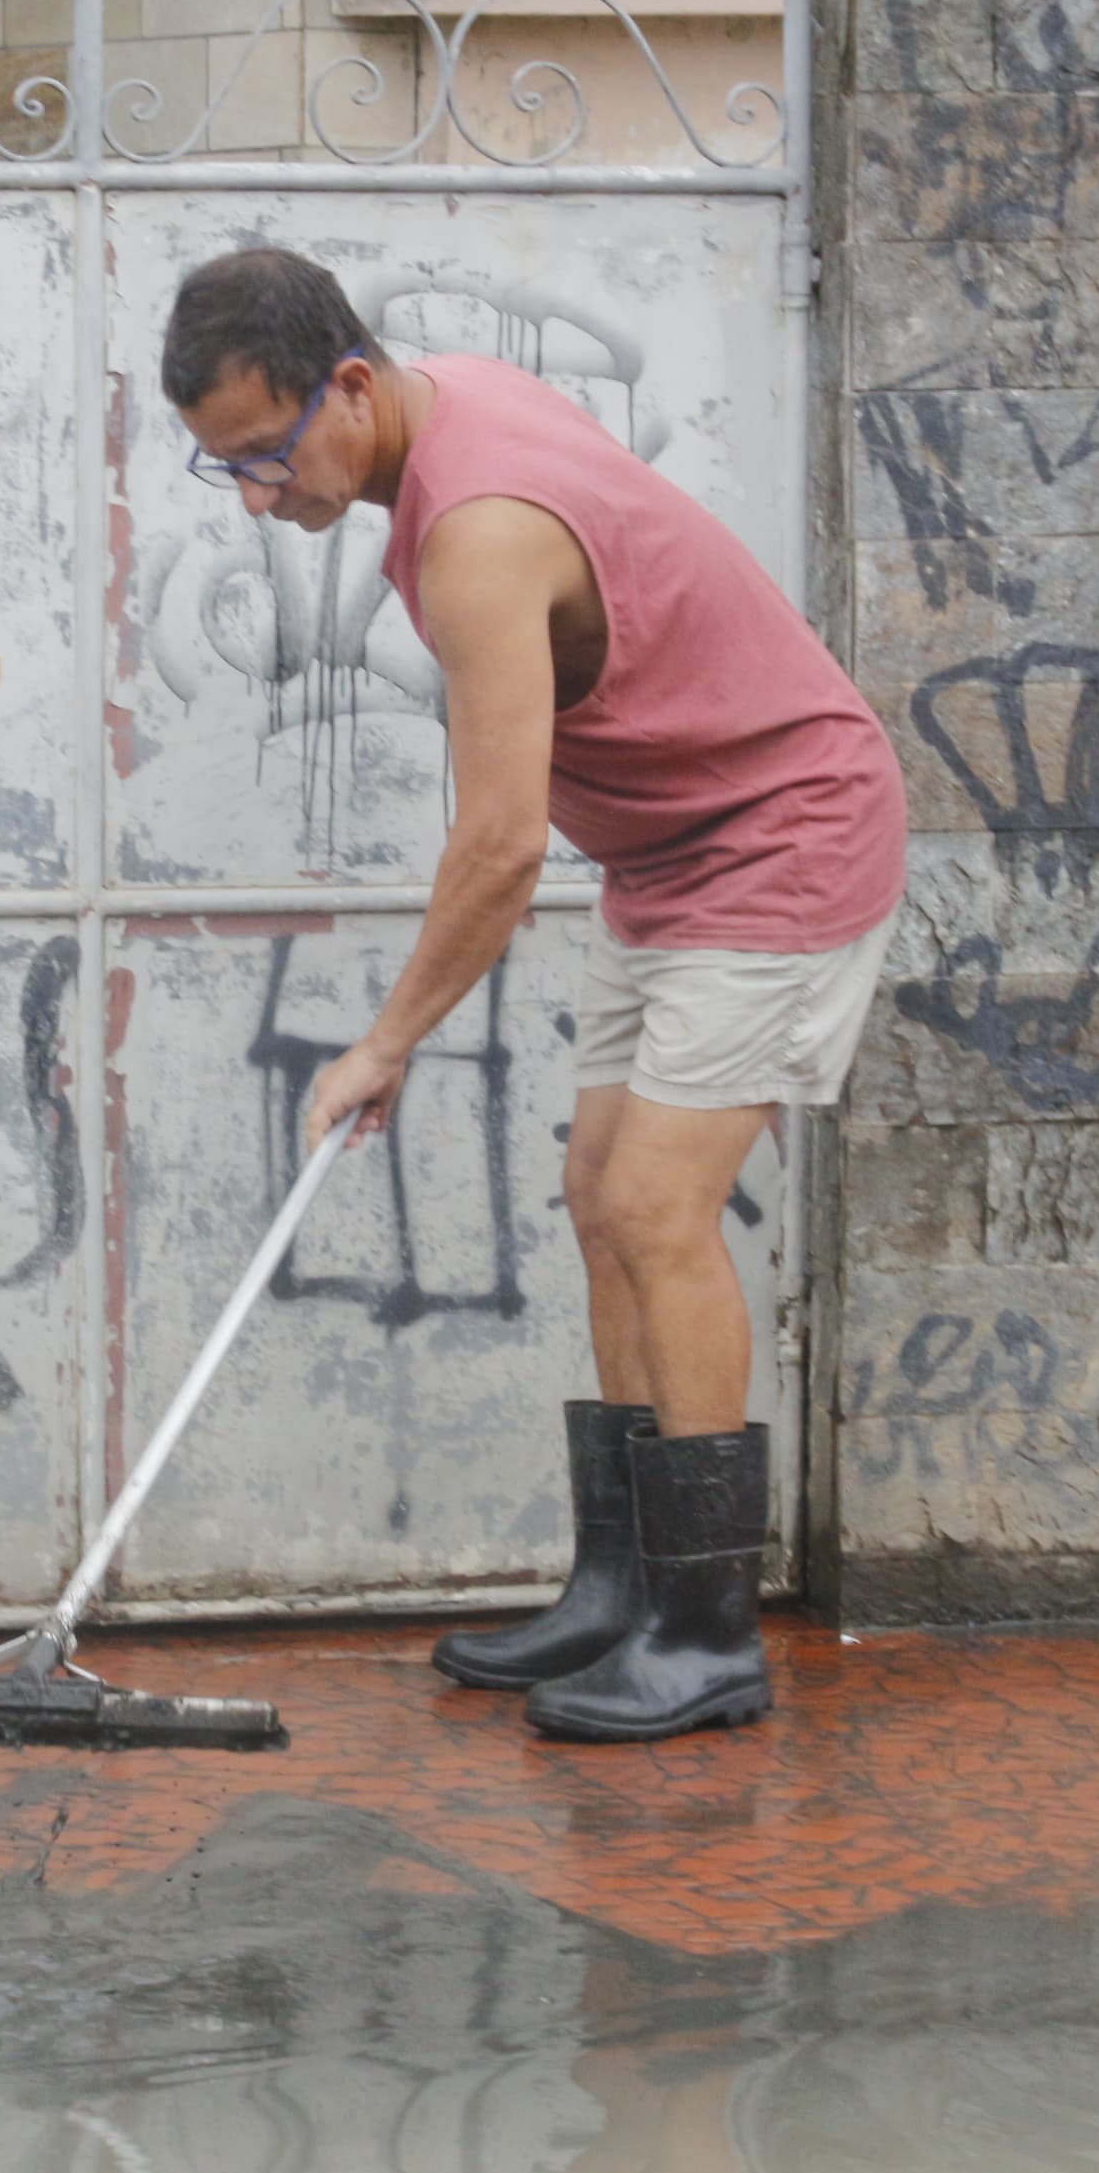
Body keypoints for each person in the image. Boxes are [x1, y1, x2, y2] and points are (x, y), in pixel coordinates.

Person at [161, 248, 906, 1743]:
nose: (254, 494)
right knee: (596, 1190)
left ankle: (706, 1636)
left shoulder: (482, 536)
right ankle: (621, 1588)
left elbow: (499, 845)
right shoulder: (457, 402)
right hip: (676, 854)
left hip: (781, 836)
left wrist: (383, 1045)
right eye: (219, 467)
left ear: (349, 388)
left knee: (654, 1208)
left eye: (263, 453)